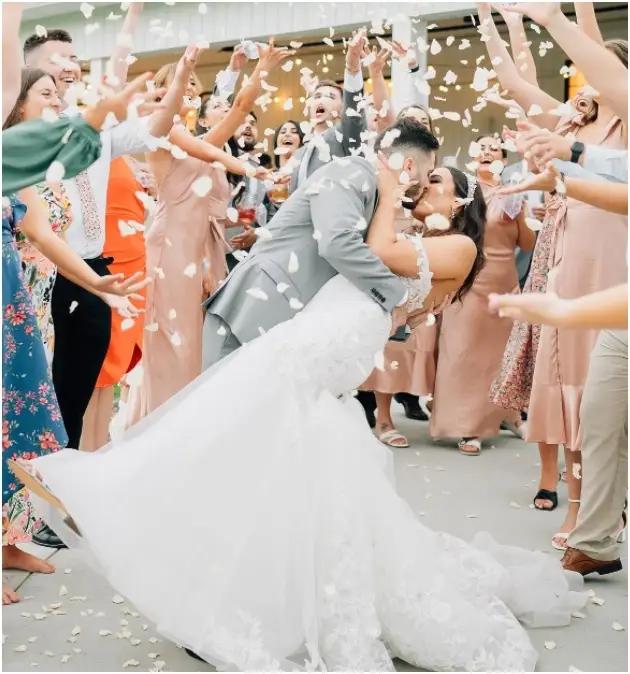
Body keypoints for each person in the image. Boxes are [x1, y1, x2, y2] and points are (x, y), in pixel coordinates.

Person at [12, 117, 587, 671]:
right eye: (421, 175)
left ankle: (229, 586)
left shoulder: (429, 229)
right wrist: (391, 281)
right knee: (226, 453)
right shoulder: (354, 178)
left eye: (430, 181)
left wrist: (390, 287)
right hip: (269, 322)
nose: (417, 185)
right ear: (404, 162)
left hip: (310, 338)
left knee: (251, 466)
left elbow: (369, 256)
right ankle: (196, 573)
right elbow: (341, 243)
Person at [481, 3, 628, 549]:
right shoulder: (570, 123)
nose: (588, 84)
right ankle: (580, 510)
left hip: (613, 267)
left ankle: (603, 508)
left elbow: (595, 55)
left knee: (602, 397)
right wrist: (498, 21)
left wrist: (579, 11)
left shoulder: (624, 127)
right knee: (571, 392)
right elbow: (514, 78)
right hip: (566, 262)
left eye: (600, 75)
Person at [124, 41, 289, 426]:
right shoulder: (161, 135)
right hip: (172, 247)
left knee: (199, 337)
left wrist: (261, 68)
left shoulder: (202, 142)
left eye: (192, 89)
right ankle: (162, 422)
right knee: (173, 340)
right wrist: (250, 170)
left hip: (205, 246)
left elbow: (238, 111)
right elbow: (210, 152)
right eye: (179, 90)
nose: (189, 95)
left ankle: (192, 419)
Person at [2, 184, 147, 605]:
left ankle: (8, 540)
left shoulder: (20, 160)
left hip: (24, 310)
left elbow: (45, 236)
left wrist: (98, 286)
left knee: (15, 428)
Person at [429, 136, 534, 455]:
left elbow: (528, 244)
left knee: (504, 355)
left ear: (503, 158)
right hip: (471, 279)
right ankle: (469, 426)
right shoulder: (465, 192)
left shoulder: (514, 194)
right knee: (465, 354)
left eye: (495, 148)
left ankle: (509, 415)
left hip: (505, 283)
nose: (488, 151)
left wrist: (520, 213)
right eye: (482, 146)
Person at [288, 29, 368, 193]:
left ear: (341, 110)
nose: (321, 99)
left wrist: (352, 67)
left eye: (331, 97)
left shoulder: (345, 135)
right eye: (317, 96)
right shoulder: (299, 153)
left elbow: (354, 112)